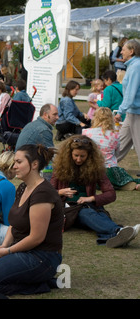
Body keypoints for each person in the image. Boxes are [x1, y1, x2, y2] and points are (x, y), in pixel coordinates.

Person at [0, 144, 63, 296]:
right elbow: (14, 224)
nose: (14, 166)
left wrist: (9, 250)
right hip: (21, 249)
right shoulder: (23, 187)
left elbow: (37, 238)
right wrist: (3, 246)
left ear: (34, 165)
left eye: (18, 162)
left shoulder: (42, 193)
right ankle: (28, 278)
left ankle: (40, 284)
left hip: (42, 256)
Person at [50, 135, 139, 247]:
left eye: (83, 156)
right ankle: (118, 231)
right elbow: (48, 193)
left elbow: (111, 194)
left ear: (89, 156)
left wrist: (91, 198)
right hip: (68, 210)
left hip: (90, 205)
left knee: (95, 215)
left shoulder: (96, 169)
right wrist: (60, 192)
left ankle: (114, 236)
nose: (79, 159)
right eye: (76, 155)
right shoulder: (60, 168)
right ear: (69, 154)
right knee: (86, 213)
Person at [83, 107, 139, 190]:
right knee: (125, 179)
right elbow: (116, 153)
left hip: (91, 169)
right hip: (110, 170)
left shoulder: (85, 132)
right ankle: (125, 184)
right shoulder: (115, 135)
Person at [114, 39, 140, 169]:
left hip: (137, 113)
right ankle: (101, 169)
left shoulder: (136, 66)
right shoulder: (132, 65)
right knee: (120, 143)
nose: (121, 52)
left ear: (132, 51)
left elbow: (131, 92)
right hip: (132, 112)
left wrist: (120, 111)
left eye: (123, 49)